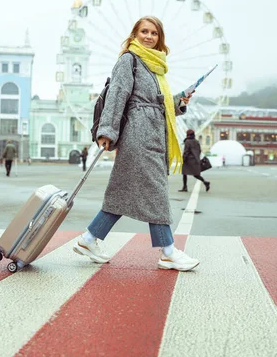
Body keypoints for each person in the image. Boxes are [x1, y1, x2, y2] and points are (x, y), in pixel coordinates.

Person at [72, 16, 199, 271]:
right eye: (144, 31)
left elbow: (157, 103)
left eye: (154, 33)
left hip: (151, 135)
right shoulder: (129, 60)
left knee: (122, 193)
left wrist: (180, 101)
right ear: (134, 33)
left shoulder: (154, 67)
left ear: (159, 38)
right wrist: (107, 131)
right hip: (138, 137)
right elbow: (118, 94)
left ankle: (89, 239)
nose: (149, 36)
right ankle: (168, 251)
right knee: (156, 193)